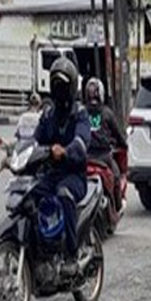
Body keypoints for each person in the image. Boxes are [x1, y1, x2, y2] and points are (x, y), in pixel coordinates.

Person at [33, 58, 91, 276]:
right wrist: (12, 152)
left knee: (63, 194)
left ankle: (71, 254)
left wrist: (66, 151)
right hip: (51, 173)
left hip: (74, 176)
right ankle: (38, 247)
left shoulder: (80, 114)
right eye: (56, 84)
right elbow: (33, 140)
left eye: (63, 85)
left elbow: (81, 142)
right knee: (28, 195)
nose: (59, 89)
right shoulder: (48, 114)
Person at [85, 77, 128, 212]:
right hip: (103, 157)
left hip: (84, 156)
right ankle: (117, 207)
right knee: (116, 176)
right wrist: (124, 144)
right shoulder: (107, 113)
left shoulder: (81, 113)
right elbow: (118, 134)